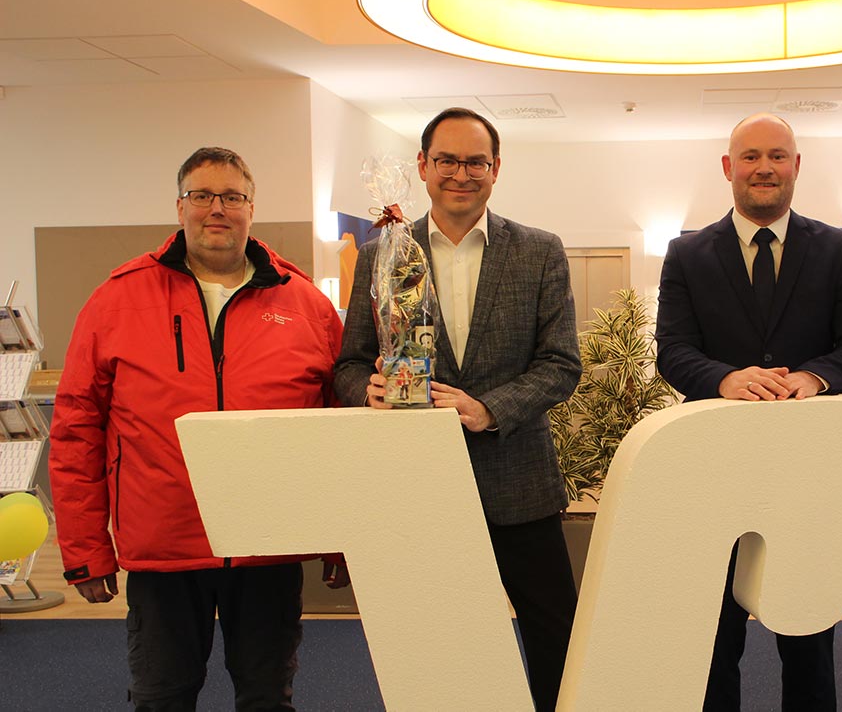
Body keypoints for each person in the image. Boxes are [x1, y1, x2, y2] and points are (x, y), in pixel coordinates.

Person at [49, 147, 347, 710]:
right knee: (162, 697)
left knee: (267, 698)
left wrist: (341, 540)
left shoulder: (305, 303)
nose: (217, 208)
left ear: (251, 208)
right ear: (179, 206)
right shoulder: (117, 299)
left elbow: (338, 429)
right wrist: (86, 547)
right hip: (164, 544)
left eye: (232, 196)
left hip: (269, 546)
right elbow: (76, 427)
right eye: (202, 195)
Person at [334, 108, 582, 711]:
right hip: (420, 488)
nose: (461, 174)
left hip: (520, 483)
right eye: (447, 159)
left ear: (496, 169)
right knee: (438, 641)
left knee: (555, 636)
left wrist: (488, 408)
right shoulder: (383, 254)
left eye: (476, 161)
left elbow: (561, 364)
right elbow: (349, 364)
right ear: (423, 166)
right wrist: (366, 390)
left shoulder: (539, 251)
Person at [655, 113, 842, 711]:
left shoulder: (833, 248)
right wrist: (724, 378)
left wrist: (814, 377)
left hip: (805, 475)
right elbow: (672, 350)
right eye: (751, 156)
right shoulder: (686, 253)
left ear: (796, 165)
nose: (764, 168)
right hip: (715, 473)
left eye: (777, 156)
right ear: (728, 167)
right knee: (714, 639)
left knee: (807, 639)